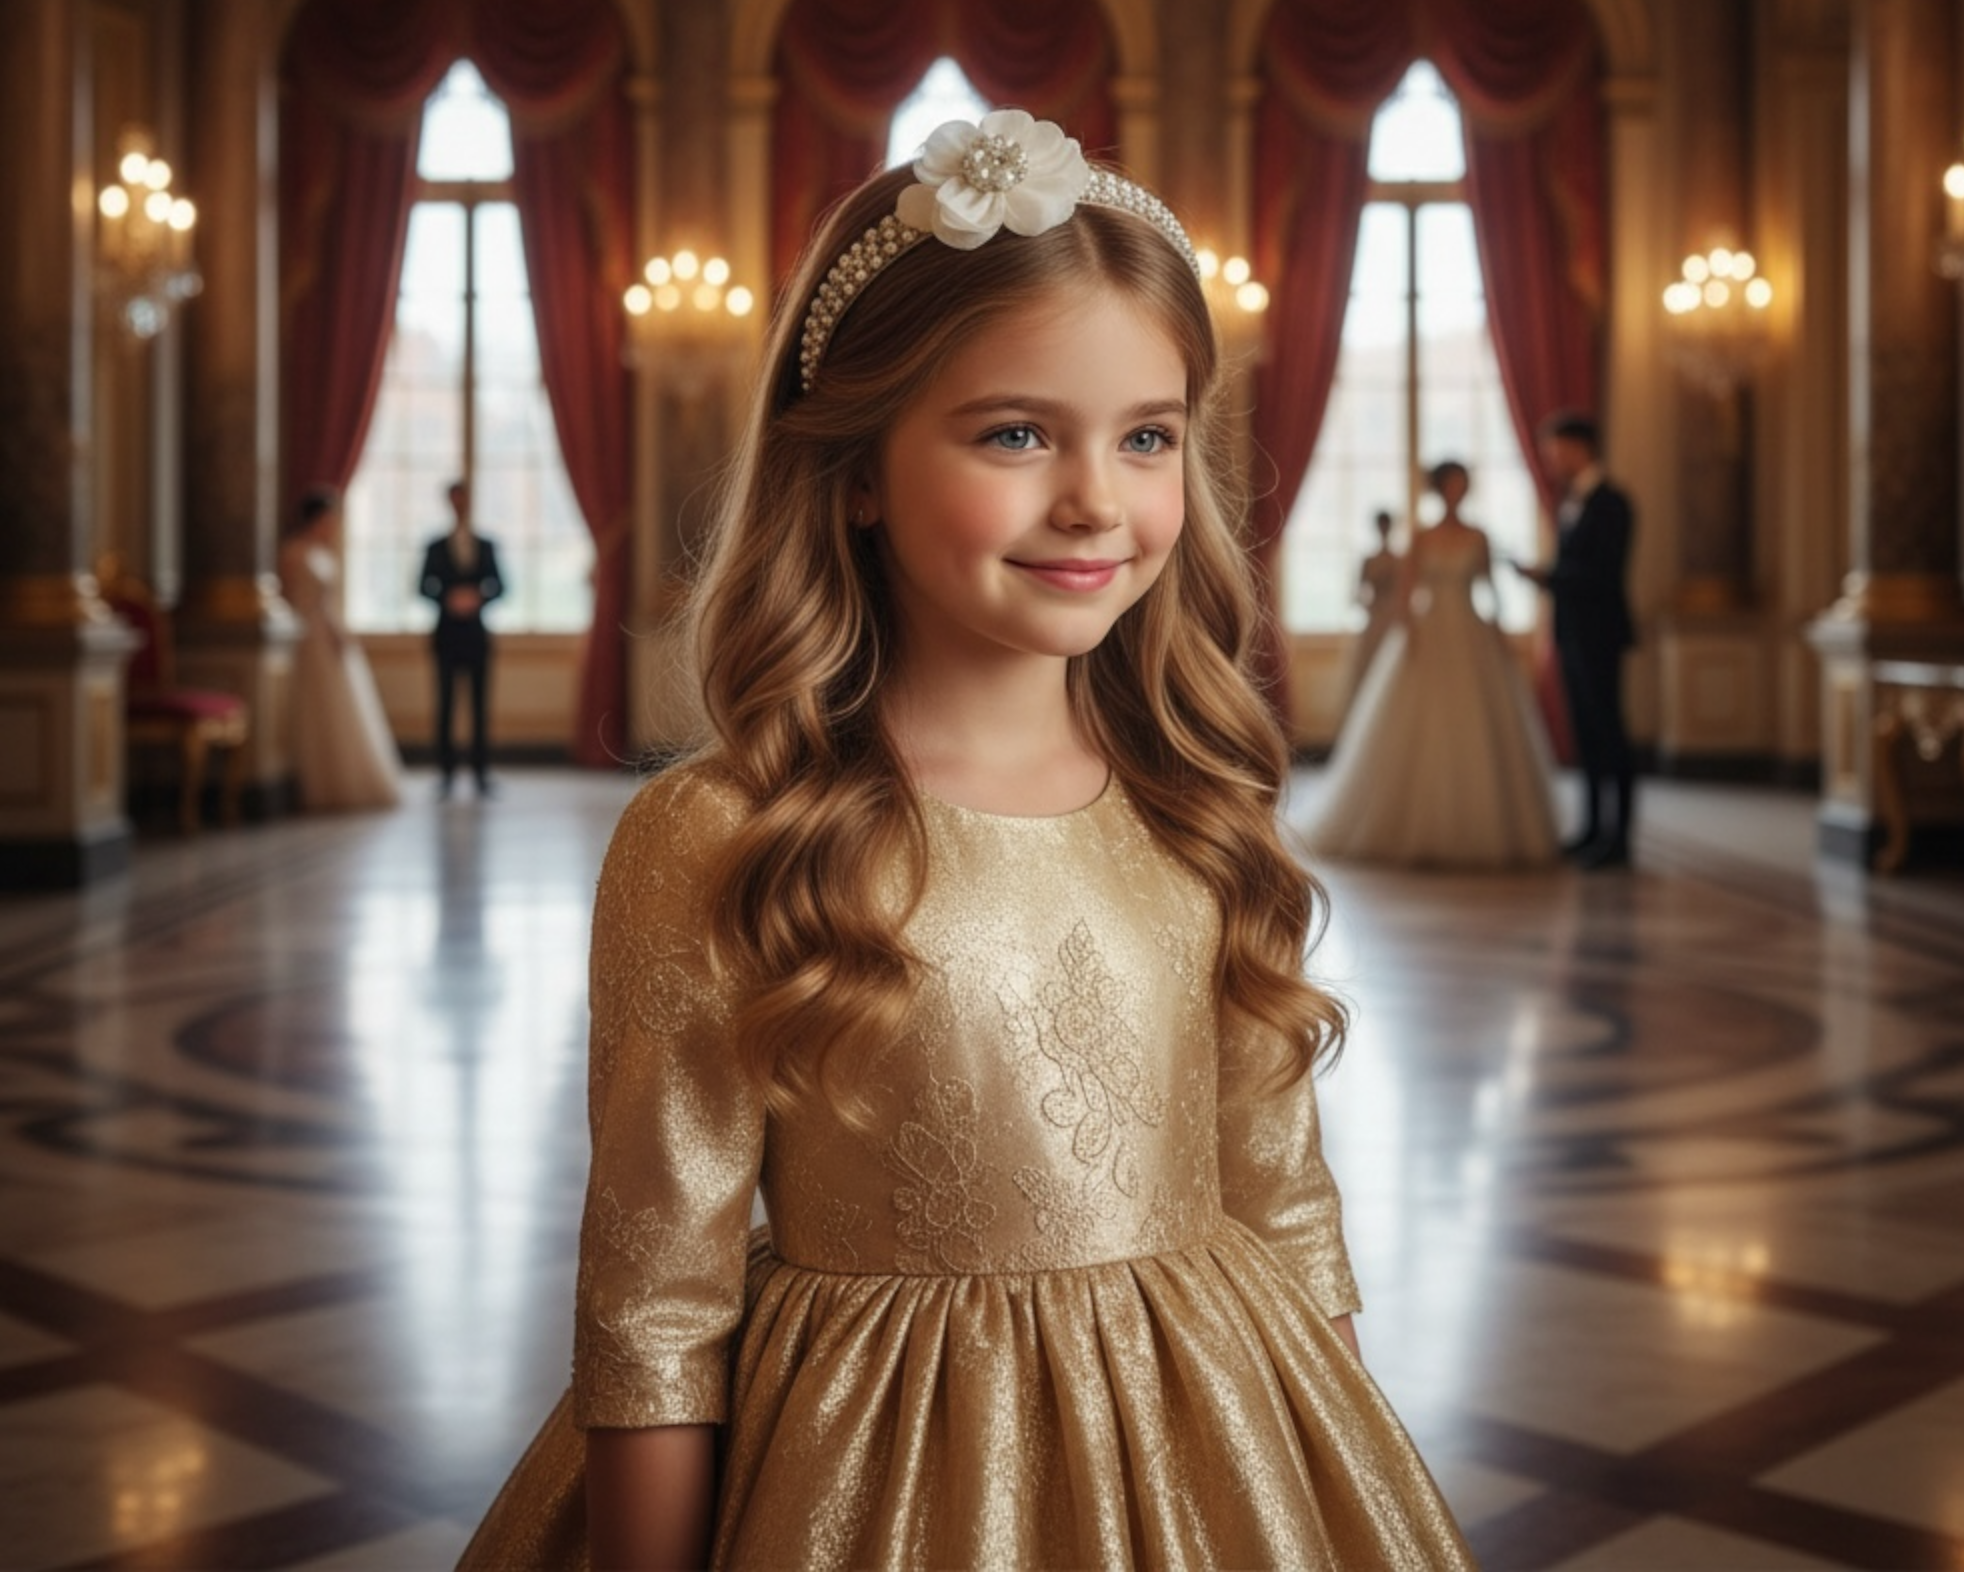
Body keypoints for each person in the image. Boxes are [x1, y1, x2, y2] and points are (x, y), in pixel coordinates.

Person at [458, 113, 1473, 1571]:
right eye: (1015, 432)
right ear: (856, 468)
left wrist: (1336, 1479)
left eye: (1147, 439)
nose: (1095, 503)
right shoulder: (726, 837)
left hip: (1224, 1457)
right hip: (875, 1485)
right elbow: (656, 1307)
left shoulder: (1195, 803)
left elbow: (1287, 1210)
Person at [1303, 460, 1558, 870]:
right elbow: (1406, 592)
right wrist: (1407, 635)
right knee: (1421, 722)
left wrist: (1499, 637)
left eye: (1464, 484)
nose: (1458, 491)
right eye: (1451, 484)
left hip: (1471, 633)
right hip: (1427, 632)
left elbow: (1490, 590)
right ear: (1439, 489)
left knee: (1476, 723)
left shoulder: (1478, 535)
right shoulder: (1421, 537)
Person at [1515, 412, 1636, 870]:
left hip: (1601, 633)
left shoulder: (1613, 503)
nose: (1550, 461)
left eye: (1555, 451)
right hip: (1571, 633)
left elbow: (1604, 574)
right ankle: (1591, 829)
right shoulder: (1572, 502)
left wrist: (1546, 575)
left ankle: (1618, 836)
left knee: (1610, 735)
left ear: (1580, 449)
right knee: (1585, 736)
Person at [278, 488, 403, 813]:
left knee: (336, 707)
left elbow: (327, 603)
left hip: (326, 630)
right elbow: (289, 598)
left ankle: (343, 780)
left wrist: (338, 631)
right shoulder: (293, 553)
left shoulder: (324, 554)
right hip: (305, 635)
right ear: (315, 519)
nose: (332, 525)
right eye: (329, 519)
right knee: (313, 708)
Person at [418, 479, 504, 798]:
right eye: (454, 499)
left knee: (480, 705)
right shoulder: (435, 546)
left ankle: (481, 771)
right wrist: (448, 598)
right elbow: (422, 586)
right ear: (449, 503)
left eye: (463, 499)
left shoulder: (486, 545)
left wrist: (478, 597)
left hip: (477, 635)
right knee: (445, 704)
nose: (459, 505)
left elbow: (500, 586)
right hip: (446, 634)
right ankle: (446, 772)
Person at [1350, 506, 1404, 693]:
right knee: (1371, 664)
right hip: (1376, 617)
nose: (1384, 530)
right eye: (1381, 526)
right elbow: (1358, 593)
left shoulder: (1400, 560)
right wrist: (1370, 606)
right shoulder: (1369, 560)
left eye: (1386, 526)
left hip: (1394, 618)